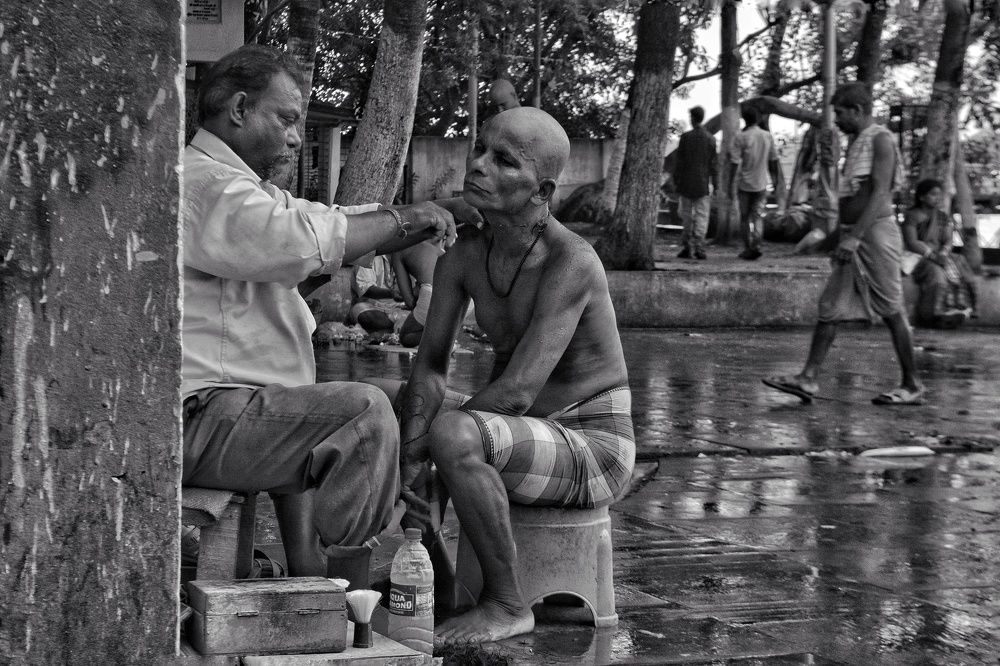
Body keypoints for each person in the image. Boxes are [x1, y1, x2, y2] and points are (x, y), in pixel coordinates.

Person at [181, 44, 462, 586]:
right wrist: (405, 219)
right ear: (239, 109)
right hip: (200, 419)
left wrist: (415, 221)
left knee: (321, 405)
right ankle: (352, 586)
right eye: (286, 119)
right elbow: (302, 237)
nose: (293, 136)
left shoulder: (239, 188)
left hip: (232, 409)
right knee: (362, 413)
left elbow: (324, 221)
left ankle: (317, 580)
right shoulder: (207, 187)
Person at [367, 107, 634, 644]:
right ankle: (438, 573)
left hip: (595, 444)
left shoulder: (571, 260)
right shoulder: (463, 256)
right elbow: (431, 367)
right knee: (381, 401)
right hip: (527, 431)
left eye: (505, 161)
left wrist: (430, 449)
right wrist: (412, 445)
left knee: (451, 434)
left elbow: (515, 394)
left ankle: (507, 603)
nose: (480, 166)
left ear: (543, 190)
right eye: (481, 150)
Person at [763, 82, 924, 406]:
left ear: (857, 111)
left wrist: (853, 237)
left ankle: (912, 384)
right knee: (830, 307)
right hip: (855, 234)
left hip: (874, 233)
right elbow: (853, 198)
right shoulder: (857, 143)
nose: (836, 120)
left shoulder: (880, 138)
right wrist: (830, 240)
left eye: (839, 113)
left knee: (891, 308)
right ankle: (807, 378)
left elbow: (879, 195)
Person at [902, 178, 977, 328]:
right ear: (922, 197)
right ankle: (932, 316)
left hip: (941, 255)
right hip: (919, 257)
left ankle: (962, 310)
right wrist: (932, 255)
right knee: (938, 277)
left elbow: (948, 241)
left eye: (939, 195)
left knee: (961, 266)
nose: (937, 198)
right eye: (933, 194)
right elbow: (912, 242)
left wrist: (943, 253)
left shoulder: (943, 217)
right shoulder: (912, 215)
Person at [728, 106, 782, 260]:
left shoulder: (741, 137)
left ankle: (747, 247)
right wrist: (775, 180)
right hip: (761, 183)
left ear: (744, 119)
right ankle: (756, 245)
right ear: (758, 119)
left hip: (744, 184)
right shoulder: (766, 136)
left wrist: (730, 183)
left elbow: (734, 162)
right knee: (757, 216)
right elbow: (774, 160)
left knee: (744, 218)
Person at [672, 106, 719, 260]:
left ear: (692, 118)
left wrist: (676, 181)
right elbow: (714, 165)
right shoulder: (710, 139)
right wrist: (716, 185)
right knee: (701, 217)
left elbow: (680, 162)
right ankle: (699, 247)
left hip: (686, 184)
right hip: (703, 184)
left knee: (686, 216)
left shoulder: (686, 137)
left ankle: (687, 247)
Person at [349, 255, 408, 336]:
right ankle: (400, 329)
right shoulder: (367, 255)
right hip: (371, 307)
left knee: (422, 315)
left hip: (399, 309)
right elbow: (366, 289)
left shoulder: (408, 254)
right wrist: (391, 294)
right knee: (365, 316)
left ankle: (390, 330)